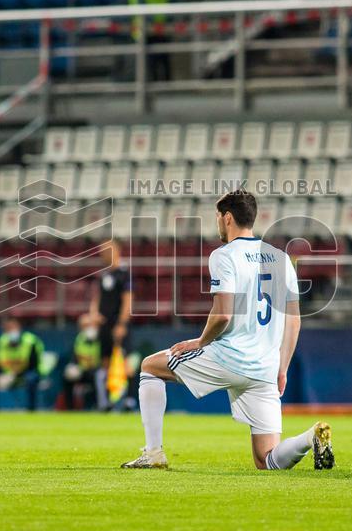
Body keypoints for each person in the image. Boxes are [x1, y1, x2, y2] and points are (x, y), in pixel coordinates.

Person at [122, 191, 334, 471]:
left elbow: (223, 313)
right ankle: (310, 437)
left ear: (228, 218)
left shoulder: (223, 256)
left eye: (218, 218)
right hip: (264, 368)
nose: (218, 224)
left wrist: (199, 342)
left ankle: (153, 453)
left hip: (228, 358)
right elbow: (294, 321)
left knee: (150, 367)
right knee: (266, 459)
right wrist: (281, 369)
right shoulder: (281, 259)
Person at [88, 238, 131, 411]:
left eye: (106, 250)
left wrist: (121, 324)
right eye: (101, 250)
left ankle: (128, 401)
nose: (102, 254)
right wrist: (94, 314)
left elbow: (128, 301)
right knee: (104, 362)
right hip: (104, 326)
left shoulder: (124, 273)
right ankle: (105, 402)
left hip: (117, 324)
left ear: (116, 251)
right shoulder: (104, 275)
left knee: (124, 362)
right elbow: (97, 298)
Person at [0, 317, 44, 411]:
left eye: (13, 328)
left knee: (31, 379)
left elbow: (34, 364)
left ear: (19, 328)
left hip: (27, 372)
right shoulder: (2, 342)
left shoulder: (30, 341)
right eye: (8, 329)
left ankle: (31, 409)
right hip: (8, 374)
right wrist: (0, 375)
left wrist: (15, 374)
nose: (11, 332)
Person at [128, 0, 171, 82]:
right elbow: (140, 10)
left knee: (164, 61)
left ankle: (168, 90)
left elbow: (171, 9)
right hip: (143, 33)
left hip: (162, 32)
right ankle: (147, 90)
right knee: (148, 64)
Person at [61, 314, 108, 410]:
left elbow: (106, 359)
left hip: (97, 370)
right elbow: (75, 357)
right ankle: (70, 408)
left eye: (88, 325)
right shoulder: (79, 339)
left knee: (99, 376)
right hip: (83, 371)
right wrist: (73, 366)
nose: (86, 328)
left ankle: (101, 406)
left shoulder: (103, 338)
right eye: (84, 326)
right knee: (67, 376)